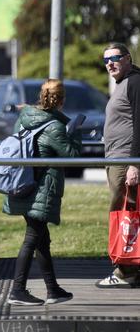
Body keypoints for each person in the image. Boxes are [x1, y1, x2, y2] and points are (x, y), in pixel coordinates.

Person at [5, 79, 81, 306]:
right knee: (32, 238)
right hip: (41, 189)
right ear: (62, 100)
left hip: (21, 184)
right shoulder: (55, 126)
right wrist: (75, 133)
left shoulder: (24, 119)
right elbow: (72, 156)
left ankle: (53, 289)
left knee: (41, 240)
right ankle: (17, 290)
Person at [96, 42, 140, 288]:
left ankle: (126, 271)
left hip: (126, 161)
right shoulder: (125, 82)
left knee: (124, 215)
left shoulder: (134, 81)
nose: (110, 63)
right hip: (118, 159)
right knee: (128, 214)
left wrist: (135, 163)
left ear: (128, 58)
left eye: (115, 57)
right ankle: (132, 267)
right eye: (106, 60)